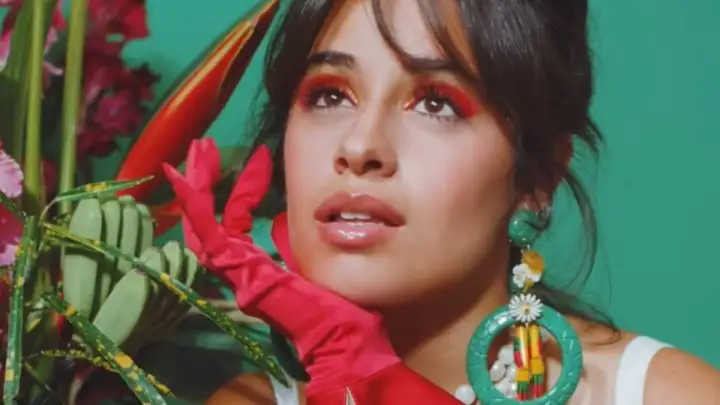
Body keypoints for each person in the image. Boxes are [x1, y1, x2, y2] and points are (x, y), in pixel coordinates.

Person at [172, 0, 720, 404]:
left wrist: (365, 370)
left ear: (538, 176)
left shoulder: (665, 395)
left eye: (436, 103)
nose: (360, 146)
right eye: (330, 94)